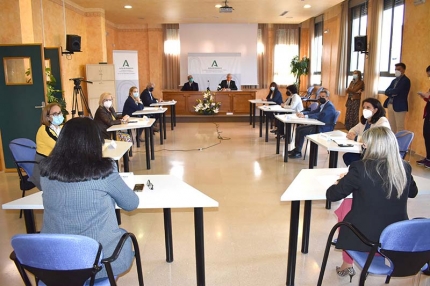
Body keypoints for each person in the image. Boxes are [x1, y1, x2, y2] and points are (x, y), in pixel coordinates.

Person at [39, 117, 139, 279]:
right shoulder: (104, 169)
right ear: (96, 141)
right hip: (98, 262)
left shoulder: (46, 171)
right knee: (122, 235)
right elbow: (131, 203)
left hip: (55, 260)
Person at [326, 126, 418, 281]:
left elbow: (332, 195)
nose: (363, 146)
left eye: (365, 144)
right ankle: (349, 263)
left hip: (366, 238)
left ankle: (347, 263)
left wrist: (342, 181)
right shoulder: (404, 167)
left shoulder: (360, 168)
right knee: (349, 206)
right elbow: (413, 193)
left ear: (372, 146)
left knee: (346, 206)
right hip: (396, 236)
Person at [288, 89, 337, 159]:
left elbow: (319, 115)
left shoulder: (330, 107)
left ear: (327, 97)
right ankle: (297, 150)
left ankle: (298, 152)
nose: (321, 98)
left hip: (324, 128)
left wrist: (305, 116)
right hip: (318, 125)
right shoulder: (322, 105)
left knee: (302, 131)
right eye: (320, 96)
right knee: (299, 129)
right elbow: (314, 112)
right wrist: (302, 113)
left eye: (323, 96)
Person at [343, 98, 390, 166]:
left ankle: (361, 174)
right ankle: (358, 174)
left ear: (375, 110)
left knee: (352, 159)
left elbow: (376, 139)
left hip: (376, 154)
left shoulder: (382, 121)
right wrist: (352, 134)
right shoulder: (365, 120)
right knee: (348, 156)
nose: (365, 109)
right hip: (365, 151)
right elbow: (352, 130)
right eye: (364, 107)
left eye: (368, 107)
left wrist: (356, 138)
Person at [29, 103, 64, 191]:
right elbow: (60, 147)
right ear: (47, 117)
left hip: (55, 165)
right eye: (55, 114)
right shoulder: (44, 130)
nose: (59, 115)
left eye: (60, 113)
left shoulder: (61, 128)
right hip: (44, 170)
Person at [384, 62, 411, 133]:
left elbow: (398, 91)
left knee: (400, 127)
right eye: (395, 69)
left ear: (404, 70)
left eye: (399, 69)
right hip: (390, 104)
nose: (397, 71)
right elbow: (386, 91)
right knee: (391, 126)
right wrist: (392, 93)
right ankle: (392, 143)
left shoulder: (406, 80)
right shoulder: (394, 80)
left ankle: (400, 143)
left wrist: (392, 92)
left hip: (400, 106)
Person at [417, 65, 430, 168]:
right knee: (426, 134)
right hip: (428, 113)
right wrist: (424, 97)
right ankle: (428, 157)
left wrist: (427, 96)